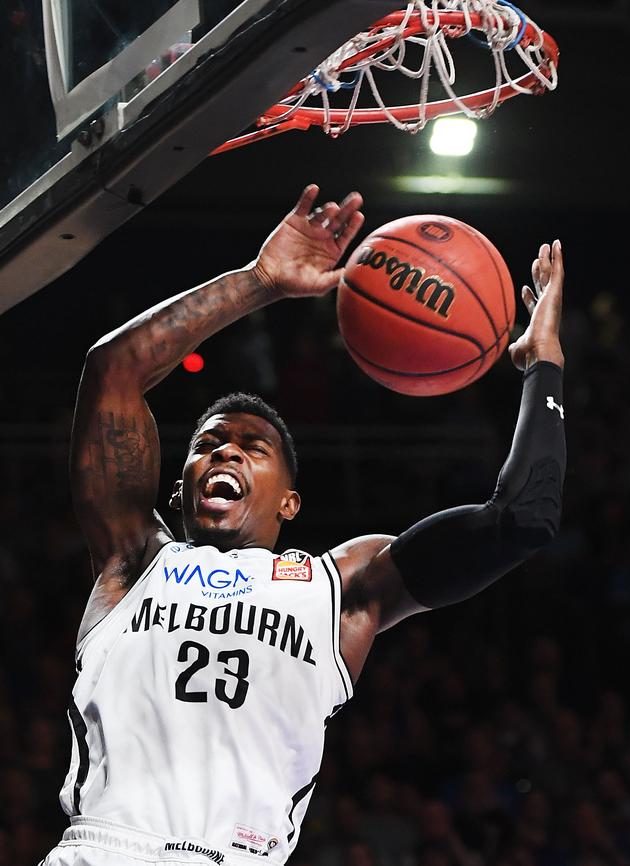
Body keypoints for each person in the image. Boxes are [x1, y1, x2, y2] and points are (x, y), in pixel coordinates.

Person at [41, 185, 566, 866]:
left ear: (291, 502)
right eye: (206, 444)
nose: (223, 450)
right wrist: (258, 283)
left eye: (252, 447)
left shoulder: (339, 588)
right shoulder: (134, 561)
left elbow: (524, 520)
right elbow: (113, 370)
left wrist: (544, 360)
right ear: (178, 490)